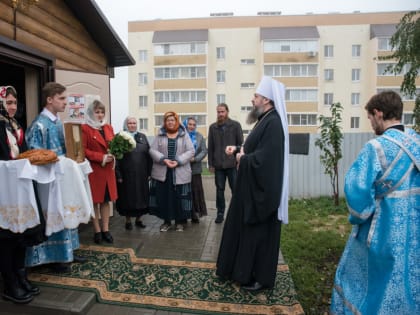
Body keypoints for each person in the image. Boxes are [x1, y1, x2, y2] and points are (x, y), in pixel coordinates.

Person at [330, 91, 420, 315]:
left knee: (362, 276)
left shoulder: (377, 147)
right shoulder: (416, 142)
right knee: (407, 276)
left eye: (370, 118)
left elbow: (358, 191)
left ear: (378, 114)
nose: (371, 124)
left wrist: (361, 215)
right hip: (414, 228)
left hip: (383, 228)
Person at [216, 76, 289, 291]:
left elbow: (265, 160)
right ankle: (238, 270)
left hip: (262, 193)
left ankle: (260, 278)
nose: (252, 99)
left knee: (258, 236)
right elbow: (255, 150)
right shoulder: (265, 119)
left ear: (266, 99)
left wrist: (242, 158)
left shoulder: (273, 122)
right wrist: (240, 150)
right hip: (250, 188)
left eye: (256, 96)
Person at [25, 82, 86, 273]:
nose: (65, 102)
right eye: (61, 98)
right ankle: (53, 257)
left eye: (65, 98)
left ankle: (67, 251)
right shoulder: (39, 125)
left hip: (62, 178)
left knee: (66, 211)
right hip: (48, 182)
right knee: (54, 215)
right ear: (49, 100)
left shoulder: (59, 122)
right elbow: (33, 157)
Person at [0, 86, 43, 304]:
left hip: (20, 188)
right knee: (7, 238)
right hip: (4, 192)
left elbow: (23, 154)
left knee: (21, 236)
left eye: (15, 103)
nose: (13, 107)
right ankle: (9, 284)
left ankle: (20, 275)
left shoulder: (16, 126)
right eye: (8, 102)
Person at [149, 111, 194, 232]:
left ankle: (179, 222)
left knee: (179, 197)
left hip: (180, 171)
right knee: (165, 198)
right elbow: (152, 150)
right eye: (168, 120)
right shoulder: (160, 134)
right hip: (164, 172)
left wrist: (178, 161)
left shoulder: (184, 134)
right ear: (165, 122)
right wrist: (164, 160)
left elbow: (191, 151)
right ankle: (166, 222)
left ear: (177, 121)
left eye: (172, 120)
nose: (170, 122)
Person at [82, 100, 117, 244]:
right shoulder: (85, 128)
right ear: (91, 113)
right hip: (94, 170)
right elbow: (83, 150)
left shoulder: (108, 127)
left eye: (102, 112)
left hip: (108, 170)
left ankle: (106, 229)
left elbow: (114, 145)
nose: (100, 115)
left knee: (105, 202)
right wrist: (100, 157)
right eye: (97, 112)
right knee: (95, 202)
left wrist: (114, 154)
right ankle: (97, 231)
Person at [207, 103, 243, 223]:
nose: (220, 114)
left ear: (227, 112)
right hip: (218, 165)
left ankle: (236, 213)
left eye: (222, 111)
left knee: (236, 190)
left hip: (232, 164)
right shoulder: (213, 127)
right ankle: (220, 213)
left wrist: (238, 158)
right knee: (219, 190)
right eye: (218, 112)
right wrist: (211, 164)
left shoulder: (235, 125)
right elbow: (210, 147)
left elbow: (240, 145)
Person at [115, 116, 152, 230]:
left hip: (141, 174)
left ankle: (139, 219)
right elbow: (116, 158)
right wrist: (118, 175)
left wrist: (149, 172)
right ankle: (127, 220)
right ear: (126, 124)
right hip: (127, 175)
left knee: (141, 197)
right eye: (130, 123)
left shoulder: (142, 137)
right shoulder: (120, 137)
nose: (132, 125)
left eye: (134, 123)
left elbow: (149, 156)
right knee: (127, 198)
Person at [183, 117, 208, 223]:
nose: (192, 126)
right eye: (190, 124)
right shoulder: (181, 136)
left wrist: (195, 159)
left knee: (195, 192)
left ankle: (195, 214)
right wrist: (184, 158)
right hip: (182, 169)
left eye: (194, 124)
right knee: (184, 192)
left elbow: (204, 151)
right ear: (186, 125)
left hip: (195, 169)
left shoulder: (199, 136)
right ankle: (183, 215)